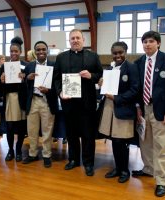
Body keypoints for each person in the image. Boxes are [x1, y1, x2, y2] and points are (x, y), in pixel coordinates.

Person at [133, 31, 165, 197]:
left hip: (162, 110)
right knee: (145, 142)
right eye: (145, 41)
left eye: (151, 41)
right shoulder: (139, 62)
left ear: (158, 43)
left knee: (161, 146)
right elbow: (137, 88)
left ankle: (161, 180)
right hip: (144, 108)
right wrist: (138, 106)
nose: (147, 44)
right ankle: (148, 169)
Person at [53, 29, 103, 176]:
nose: (75, 40)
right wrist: (60, 92)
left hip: (87, 103)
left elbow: (100, 75)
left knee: (88, 135)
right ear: (69, 41)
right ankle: (73, 160)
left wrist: (91, 75)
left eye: (78, 38)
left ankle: (88, 163)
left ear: (83, 40)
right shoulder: (61, 57)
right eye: (72, 38)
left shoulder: (93, 56)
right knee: (71, 134)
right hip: (69, 103)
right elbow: (56, 78)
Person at [98, 42, 138, 183]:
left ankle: (125, 170)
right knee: (115, 141)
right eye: (115, 53)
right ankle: (117, 168)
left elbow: (135, 90)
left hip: (124, 110)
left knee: (123, 142)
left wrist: (117, 98)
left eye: (120, 52)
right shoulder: (110, 68)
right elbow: (105, 88)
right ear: (112, 54)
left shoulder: (132, 68)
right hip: (110, 109)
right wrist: (101, 84)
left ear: (126, 52)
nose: (118, 55)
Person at [23, 41, 58, 168]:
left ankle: (47, 155)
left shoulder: (54, 65)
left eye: (43, 49)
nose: (41, 52)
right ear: (35, 51)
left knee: (47, 130)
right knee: (32, 130)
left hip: (46, 100)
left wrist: (49, 90)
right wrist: (28, 79)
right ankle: (32, 154)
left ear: (47, 50)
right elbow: (24, 86)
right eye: (38, 50)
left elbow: (58, 85)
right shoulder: (29, 66)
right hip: (33, 100)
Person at [0, 36, 28, 162]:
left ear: (20, 52)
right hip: (9, 99)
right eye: (11, 51)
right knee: (10, 127)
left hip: (21, 99)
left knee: (21, 127)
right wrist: (1, 80)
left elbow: (30, 85)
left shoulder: (25, 66)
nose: (13, 53)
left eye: (16, 51)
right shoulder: (4, 66)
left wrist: (25, 78)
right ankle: (10, 150)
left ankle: (18, 150)